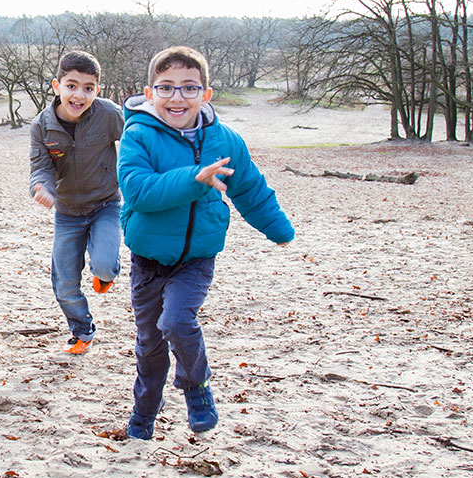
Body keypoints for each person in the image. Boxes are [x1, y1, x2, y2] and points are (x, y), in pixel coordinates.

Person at [117, 45, 295, 440]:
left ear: (206, 94)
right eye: (166, 88)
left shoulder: (225, 140)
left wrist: (279, 230)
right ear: (150, 93)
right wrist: (193, 179)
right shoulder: (138, 135)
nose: (177, 97)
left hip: (197, 257)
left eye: (189, 88)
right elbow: (137, 191)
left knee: (177, 321)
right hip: (147, 258)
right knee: (149, 345)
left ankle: (196, 387)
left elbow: (250, 189)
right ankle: (145, 411)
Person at [28, 50, 125, 355]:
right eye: (71, 85)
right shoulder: (42, 126)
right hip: (67, 212)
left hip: (106, 205)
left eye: (88, 88)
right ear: (57, 86)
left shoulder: (108, 114)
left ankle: (105, 272)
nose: (79, 95)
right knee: (65, 282)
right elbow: (40, 166)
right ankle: (82, 331)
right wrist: (41, 187)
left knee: (105, 267)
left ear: (97, 90)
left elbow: (138, 138)